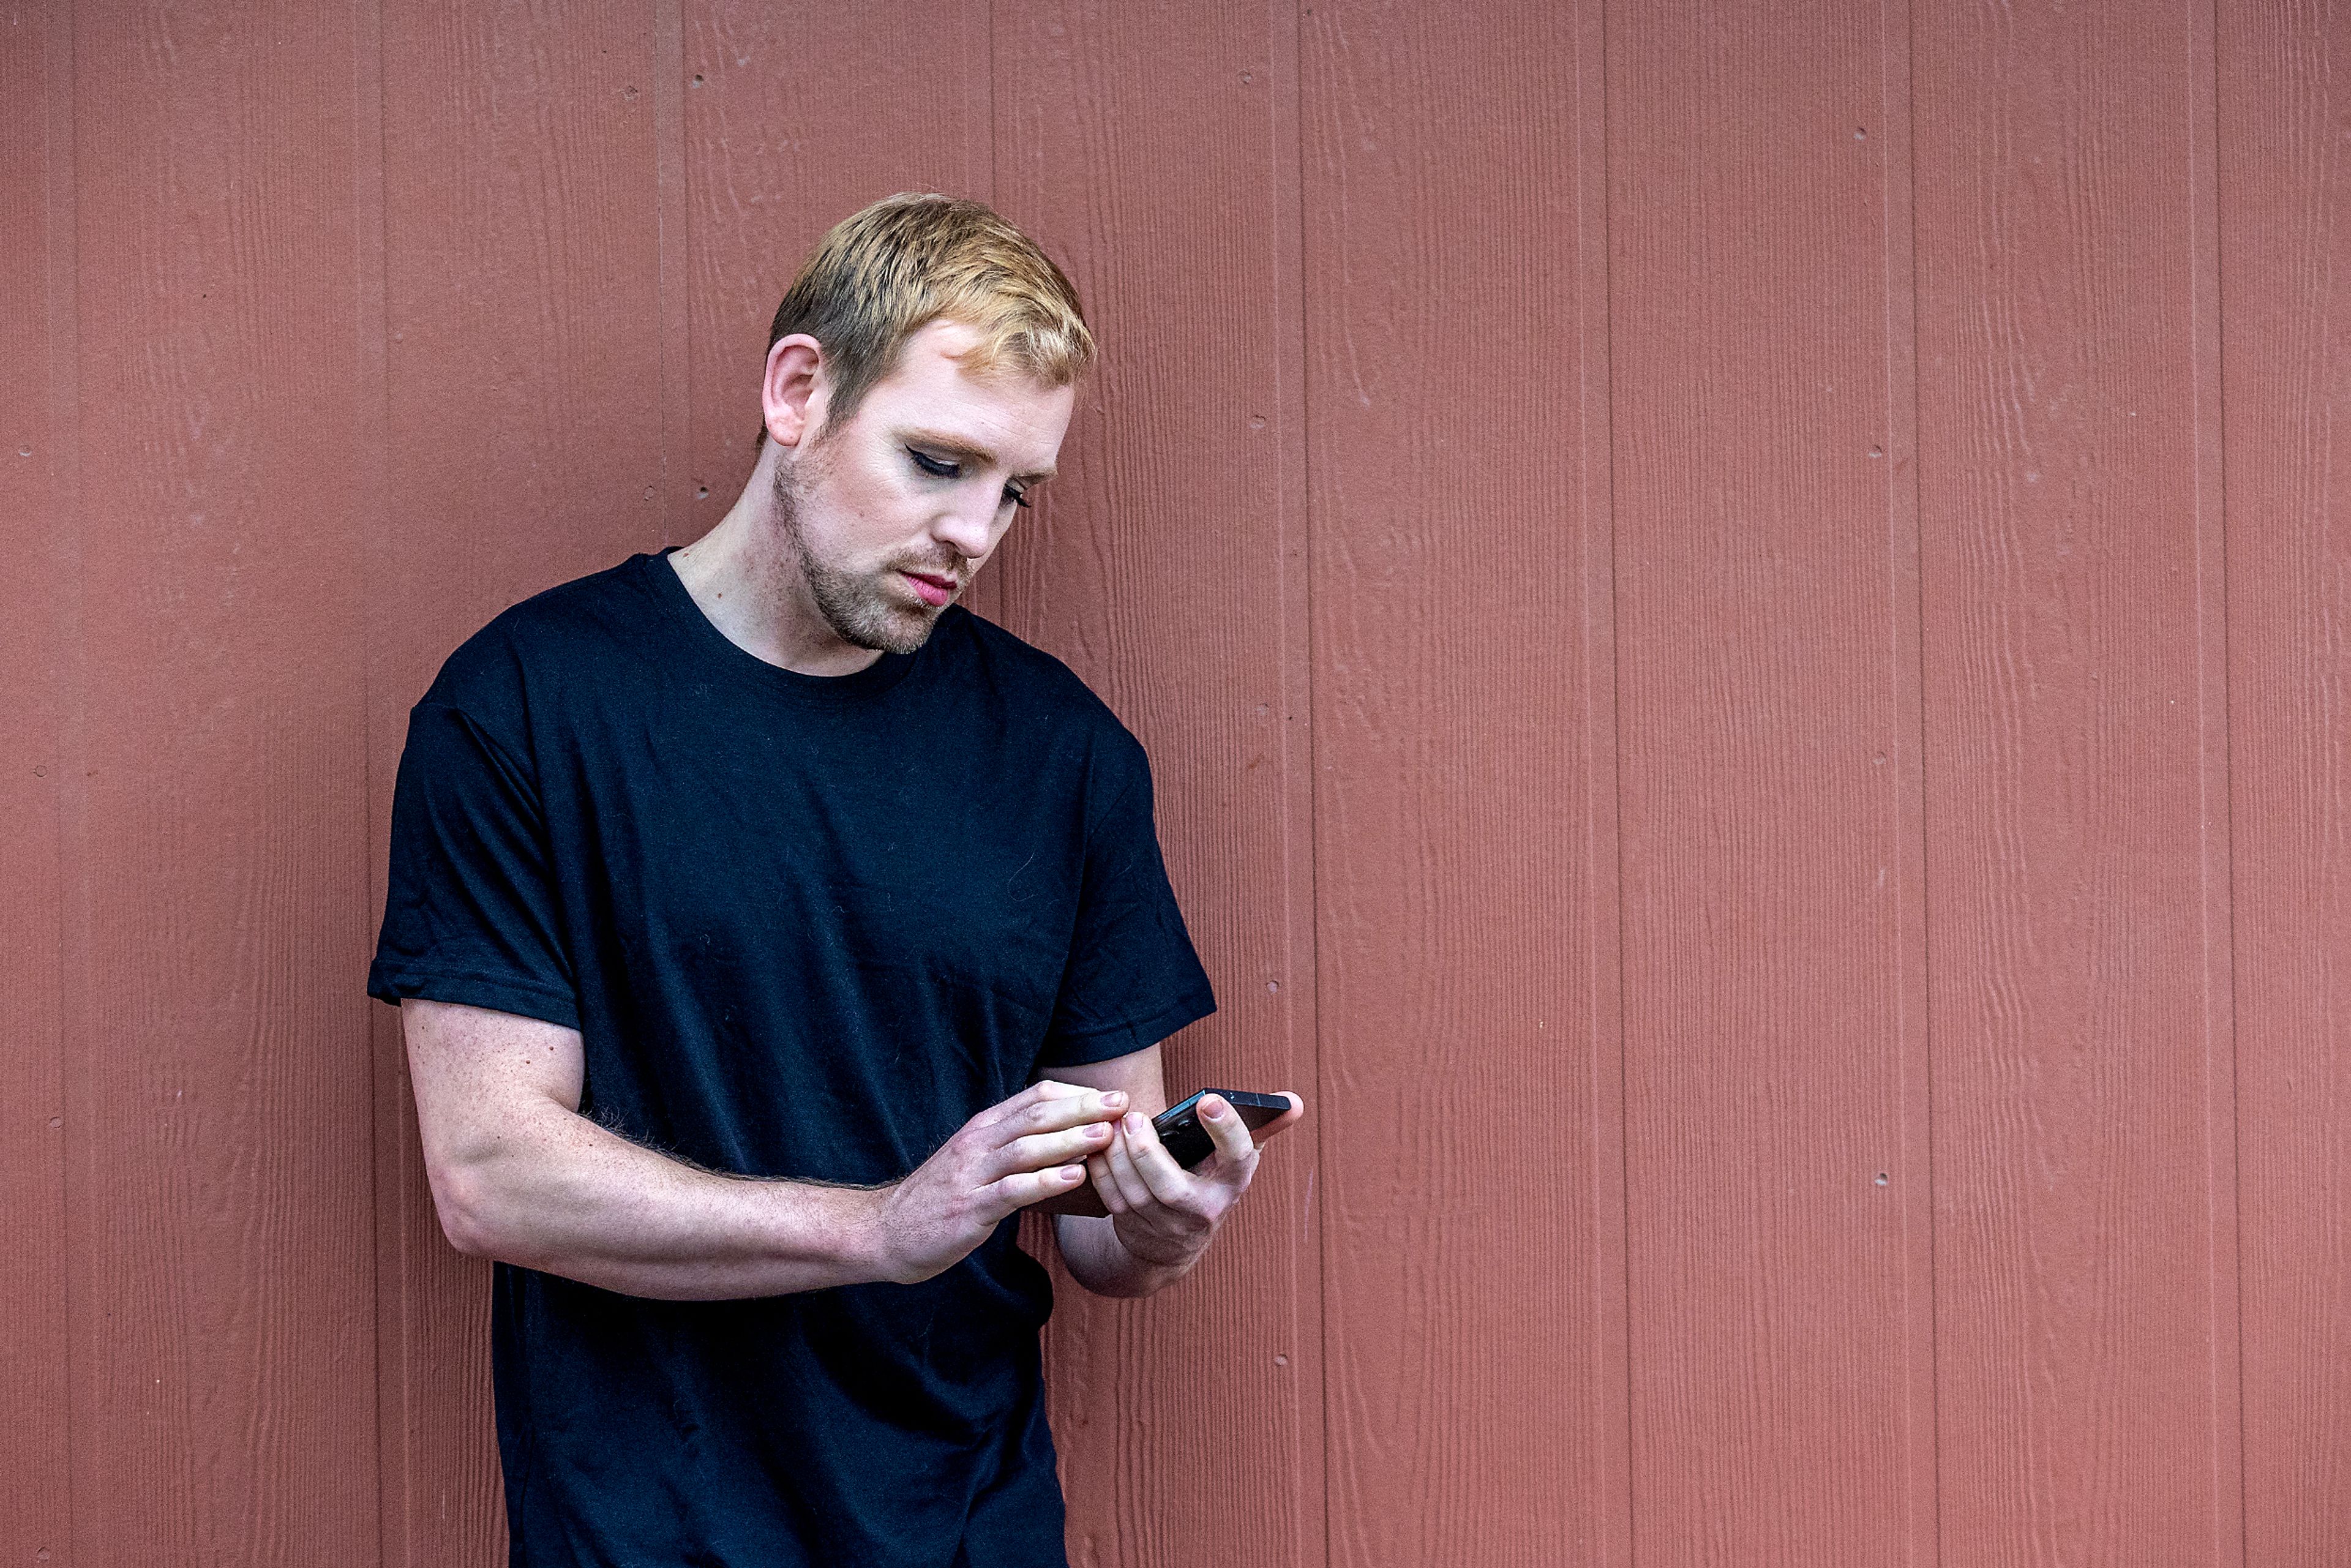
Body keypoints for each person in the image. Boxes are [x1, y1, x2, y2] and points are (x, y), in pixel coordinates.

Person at [366, 192, 1305, 1567]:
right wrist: (876, 1228)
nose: (975, 533)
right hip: (641, 1527)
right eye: (938, 463)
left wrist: (1163, 1225)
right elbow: (492, 1175)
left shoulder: (1065, 758)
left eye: (1015, 492)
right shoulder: (523, 707)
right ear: (800, 391)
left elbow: (1101, 1219)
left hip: (970, 1521)